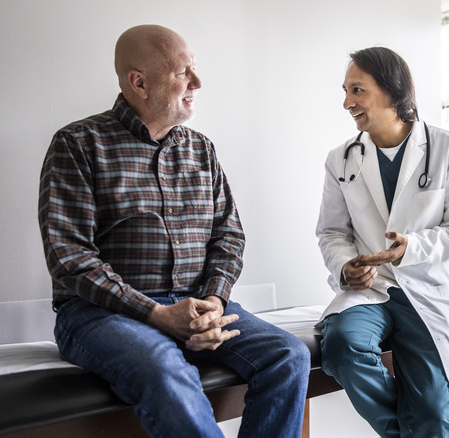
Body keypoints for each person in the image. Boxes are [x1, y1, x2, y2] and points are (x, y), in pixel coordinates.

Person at [38, 24, 310, 438]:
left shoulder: (201, 149)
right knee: (165, 366)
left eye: (194, 70)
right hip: (99, 314)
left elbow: (229, 236)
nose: (197, 82)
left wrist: (215, 302)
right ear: (139, 82)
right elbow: (69, 259)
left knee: (288, 355)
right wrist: (158, 315)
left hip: (196, 304)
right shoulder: (78, 143)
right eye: (183, 72)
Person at [315, 47, 449, 438]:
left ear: (392, 91)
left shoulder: (447, 149)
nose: (346, 102)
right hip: (373, 291)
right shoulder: (340, 159)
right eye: (345, 91)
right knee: (342, 347)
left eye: (357, 90)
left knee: (432, 413)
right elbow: (331, 231)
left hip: (429, 291)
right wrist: (346, 266)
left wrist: (413, 248)